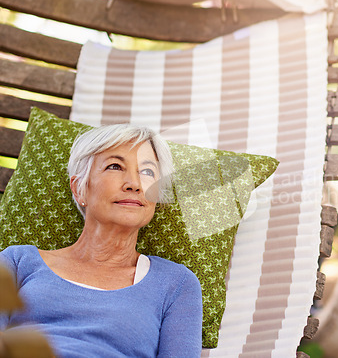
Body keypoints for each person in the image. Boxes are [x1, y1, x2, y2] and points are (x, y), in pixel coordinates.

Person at [0, 125, 203, 357]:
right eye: (115, 166)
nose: (134, 184)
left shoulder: (176, 284)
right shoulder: (16, 263)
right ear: (79, 189)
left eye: (147, 172)